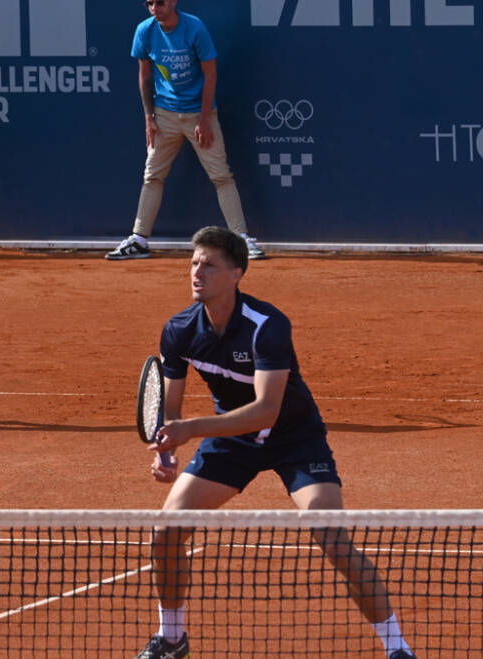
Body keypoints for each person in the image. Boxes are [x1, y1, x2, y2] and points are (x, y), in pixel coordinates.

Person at [135, 226, 414, 659]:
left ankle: (397, 648)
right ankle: (172, 639)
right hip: (231, 440)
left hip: (294, 439)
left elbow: (267, 410)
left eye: (209, 265)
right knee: (165, 532)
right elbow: (170, 411)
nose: (197, 272)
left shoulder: (267, 326)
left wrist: (191, 430)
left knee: (333, 539)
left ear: (237, 274)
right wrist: (169, 452)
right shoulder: (179, 331)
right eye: (193, 262)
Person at [108, 0, 263, 261]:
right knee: (152, 175)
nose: (154, 8)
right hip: (164, 114)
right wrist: (149, 117)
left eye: (160, 2)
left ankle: (241, 240)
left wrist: (204, 118)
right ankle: (139, 239)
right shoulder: (144, 31)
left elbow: (210, 74)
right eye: (149, 3)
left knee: (221, 176)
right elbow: (144, 76)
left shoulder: (195, 28)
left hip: (199, 114)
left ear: (173, 2)